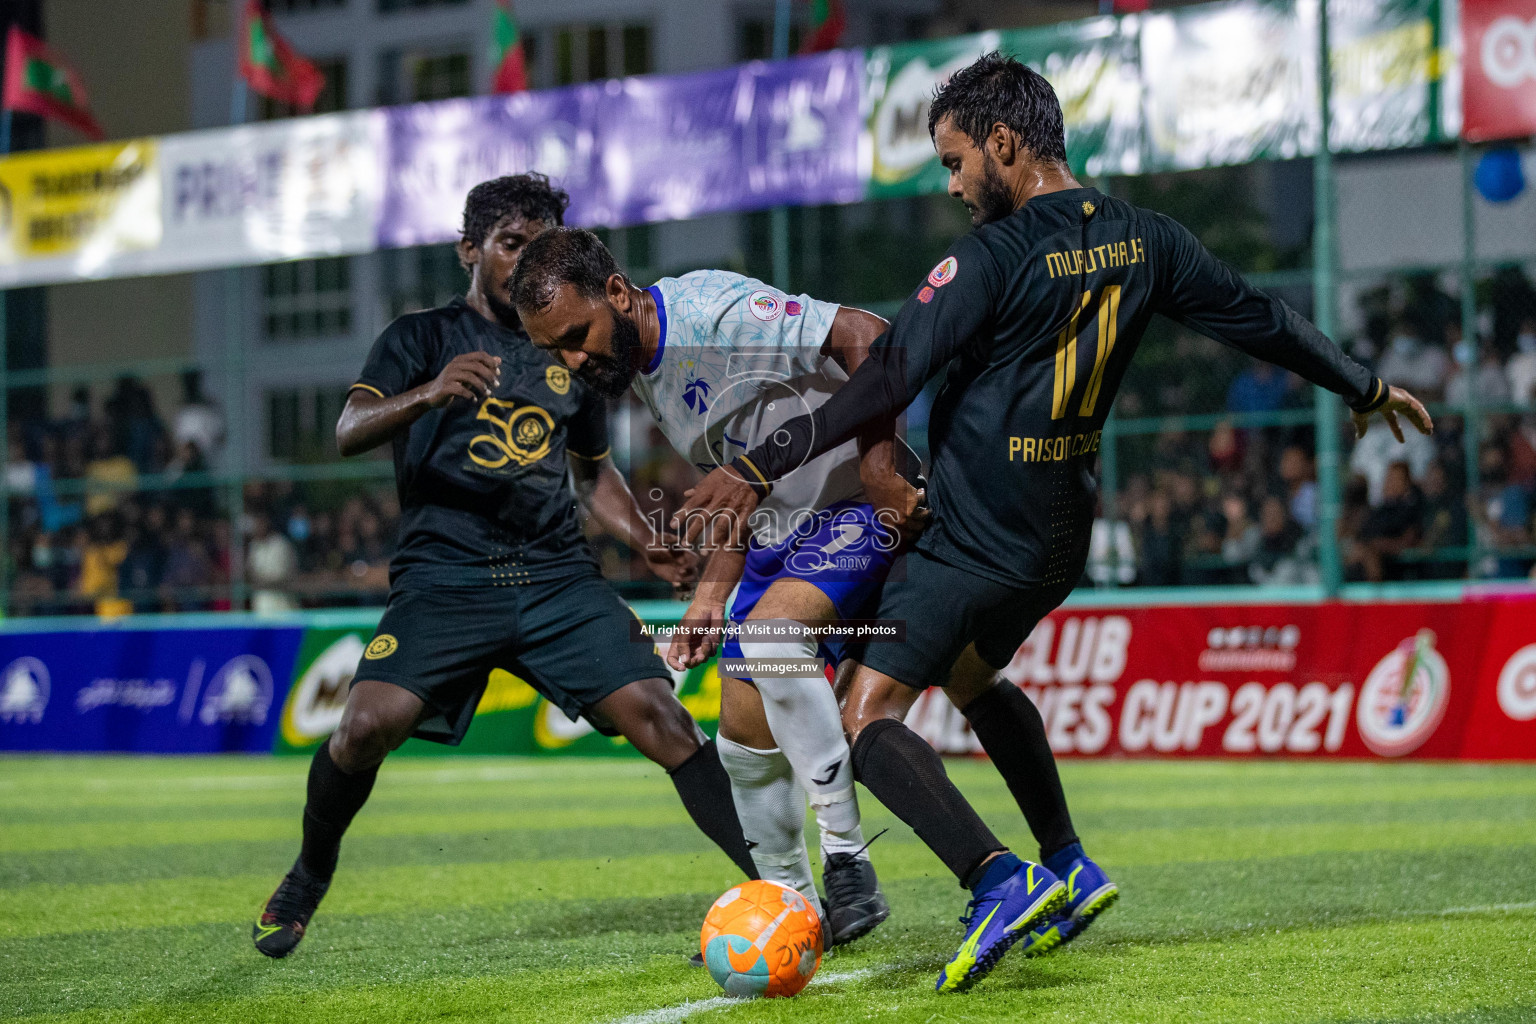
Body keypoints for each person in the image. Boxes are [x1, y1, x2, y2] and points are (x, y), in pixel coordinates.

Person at [675, 53, 1434, 993]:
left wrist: (759, 462)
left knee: (863, 720)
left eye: (956, 162)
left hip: (971, 530)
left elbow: (886, 374)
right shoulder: (1147, 237)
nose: (953, 186)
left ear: (1005, 142)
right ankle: (1068, 861)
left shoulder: (991, 256)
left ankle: (996, 879)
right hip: (1062, 530)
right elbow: (1256, 317)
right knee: (974, 677)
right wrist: (1361, 384)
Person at [253, 174, 756, 960]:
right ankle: (310, 874)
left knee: (667, 723)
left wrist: (640, 537)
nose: (526, 263)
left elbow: (592, 473)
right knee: (360, 730)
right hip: (442, 581)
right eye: (512, 245)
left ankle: (780, 889)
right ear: (470, 250)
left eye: (540, 247)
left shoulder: (568, 343)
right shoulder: (419, 337)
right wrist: (426, 395)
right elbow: (349, 427)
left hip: (555, 577)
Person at [509, 227, 917, 945]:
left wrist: (882, 474)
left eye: (577, 335)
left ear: (615, 291)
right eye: (555, 352)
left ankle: (849, 863)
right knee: (739, 745)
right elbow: (740, 483)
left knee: (771, 640)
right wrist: (707, 598)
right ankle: (791, 912)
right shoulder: (638, 368)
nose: (572, 361)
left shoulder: (713, 315)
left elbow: (869, 335)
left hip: (850, 507)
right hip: (777, 532)